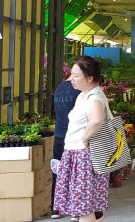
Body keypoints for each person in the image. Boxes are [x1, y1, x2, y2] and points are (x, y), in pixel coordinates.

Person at [54, 56, 109, 222]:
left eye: (76, 75)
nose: (72, 79)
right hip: (77, 154)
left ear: (90, 78)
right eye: (71, 74)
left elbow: (97, 120)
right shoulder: (83, 95)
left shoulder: (94, 97)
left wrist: (85, 138)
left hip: (83, 156)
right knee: (91, 208)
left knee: (83, 208)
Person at [50, 66, 81, 220]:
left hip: (59, 135)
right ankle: (75, 211)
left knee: (58, 171)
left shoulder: (59, 87)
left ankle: (55, 209)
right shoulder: (79, 91)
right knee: (76, 172)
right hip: (75, 137)